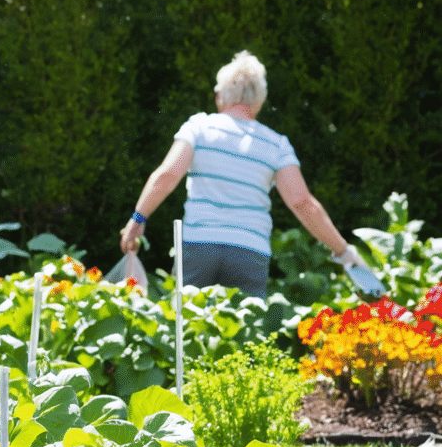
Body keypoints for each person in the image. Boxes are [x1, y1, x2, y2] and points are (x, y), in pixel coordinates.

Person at [119, 50, 367, 299]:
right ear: (259, 101)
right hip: (249, 252)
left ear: (221, 97)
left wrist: (137, 219)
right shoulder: (276, 144)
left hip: (198, 246)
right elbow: (302, 203)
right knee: (242, 331)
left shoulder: (199, 128)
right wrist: (343, 251)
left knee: (188, 328)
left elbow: (167, 176)